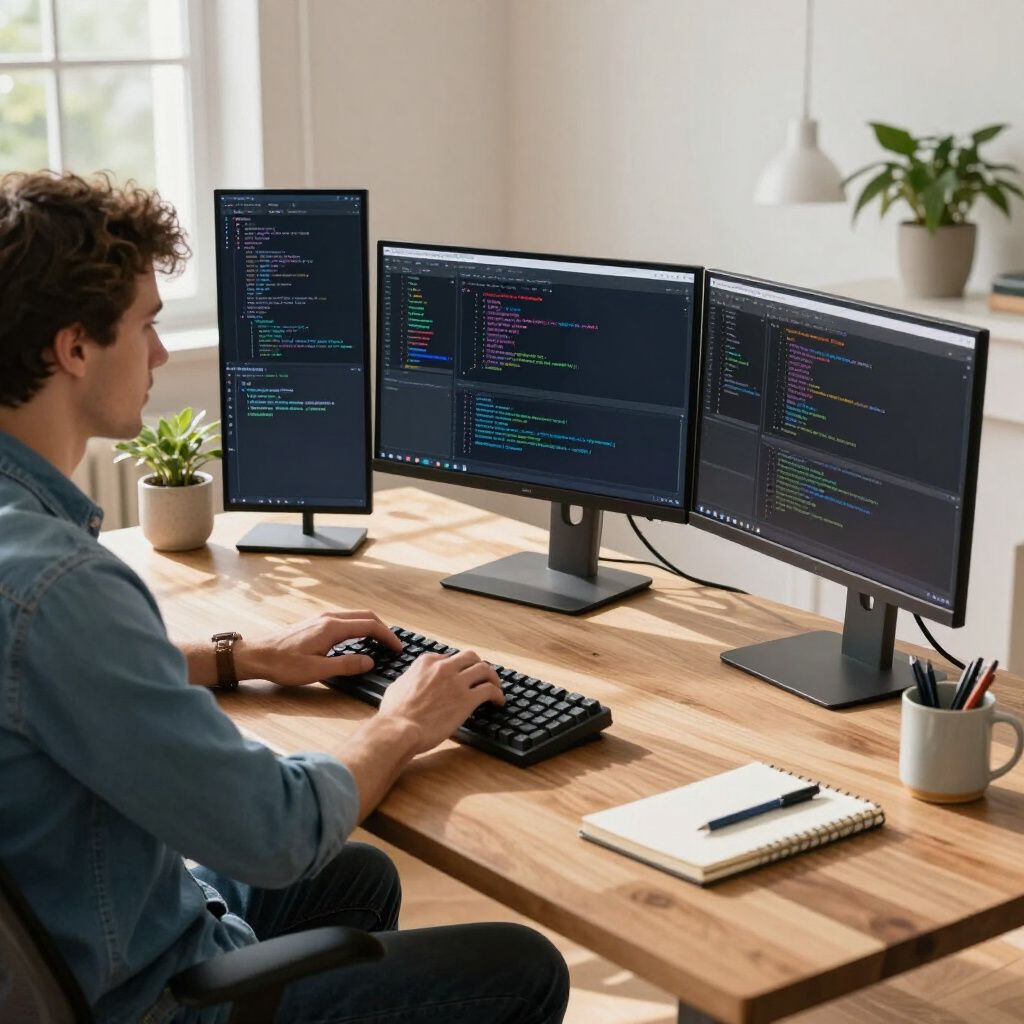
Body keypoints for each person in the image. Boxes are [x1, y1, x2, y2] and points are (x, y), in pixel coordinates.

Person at [0, 170, 570, 1024]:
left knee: (359, 873)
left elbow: (38, 682)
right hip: (142, 994)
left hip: (103, 920)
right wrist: (404, 721)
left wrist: (242, 656)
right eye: (148, 325)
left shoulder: (25, 551)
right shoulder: (60, 585)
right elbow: (274, 831)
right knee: (520, 966)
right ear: (74, 347)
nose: (159, 355)